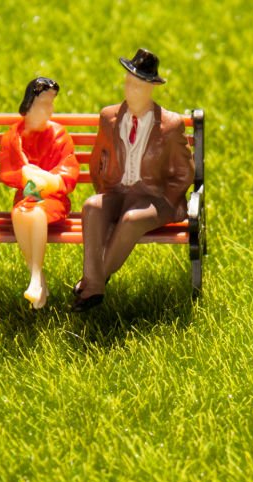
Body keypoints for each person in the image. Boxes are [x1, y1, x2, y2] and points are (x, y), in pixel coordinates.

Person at [73, 48, 195, 311]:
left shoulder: (170, 124)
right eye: (129, 83)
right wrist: (106, 192)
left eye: (139, 86)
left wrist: (167, 200)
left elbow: (185, 171)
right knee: (92, 206)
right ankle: (95, 283)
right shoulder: (109, 117)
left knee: (131, 218)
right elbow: (97, 160)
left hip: (154, 196)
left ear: (151, 88)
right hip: (118, 191)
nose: (131, 91)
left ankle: (93, 283)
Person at [0, 77, 81, 309]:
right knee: (21, 212)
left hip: (53, 199)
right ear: (30, 104)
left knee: (32, 213)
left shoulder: (58, 135)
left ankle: (35, 277)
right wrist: (25, 174)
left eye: (51, 103)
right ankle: (38, 279)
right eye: (45, 103)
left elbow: (69, 170)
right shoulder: (13, 137)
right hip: (26, 196)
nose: (50, 110)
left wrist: (49, 180)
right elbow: (7, 171)